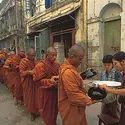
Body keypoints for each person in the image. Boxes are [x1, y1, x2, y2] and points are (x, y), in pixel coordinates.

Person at [58, 44, 97, 125]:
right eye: (80, 59)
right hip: (71, 108)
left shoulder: (70, 69)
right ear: (72, 57)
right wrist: (90, 101)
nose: (81, 61)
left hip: (77, 106)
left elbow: (75, 79)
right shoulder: (68, 72)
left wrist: (84, 75)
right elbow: (73, 95)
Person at [33, 47, 60, 125]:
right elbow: (37, 81)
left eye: (56, 55)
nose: (54, 57)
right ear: (47, 55)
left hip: (55, 92)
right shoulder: (40, 66)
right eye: (53, 55)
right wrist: (49, 81)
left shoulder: (57, 64)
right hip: (45, 93)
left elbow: (60, 75)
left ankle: (53, 122)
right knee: (46, 112)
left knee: (54, 110)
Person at [99, 51, 125, 125]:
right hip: (105, 99)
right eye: (105, 65)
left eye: (109, 65)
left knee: (116, 117)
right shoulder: (103, 73)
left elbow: (121, 88)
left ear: (122, 62)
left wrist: (110, 90)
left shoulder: (117, 73)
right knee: (104, 115)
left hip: (114, 100)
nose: (107, 67)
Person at [19, 48, 37, 121]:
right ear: (28, 55)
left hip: (34, 82)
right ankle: (32, 113)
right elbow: (21, 73)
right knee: (30, 98)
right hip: (28, 82)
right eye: (32, 56)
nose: (33, 57)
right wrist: (29, 72)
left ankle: (36, 110)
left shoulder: (34, 61)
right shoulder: (23, 62)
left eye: (34, 56)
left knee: (36, 97)